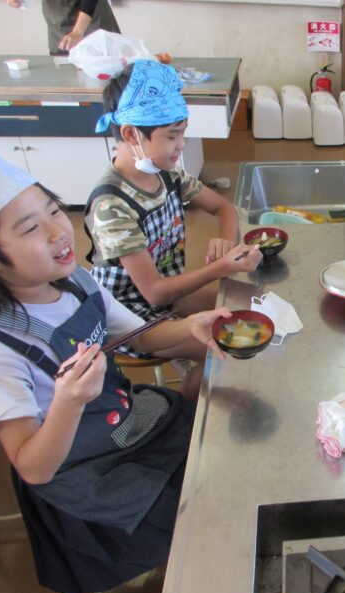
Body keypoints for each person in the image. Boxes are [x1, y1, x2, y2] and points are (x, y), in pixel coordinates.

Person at [0, 147, 233, 593]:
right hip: (85, 473)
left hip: (128, 423)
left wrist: (189, 326)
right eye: (32, 228)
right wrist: (70, 401)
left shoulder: (75, 280)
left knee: (221, 451)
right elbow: (34, 468)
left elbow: (142, 336)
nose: (60, 231)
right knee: (203, 509)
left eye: (54, 209)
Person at [85, 60, 261, 384]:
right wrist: (222, 268)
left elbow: (223, 207)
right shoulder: (111, 205)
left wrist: (226, 243)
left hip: (171, 294)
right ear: (131, 134)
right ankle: (184, 412)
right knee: (225, 353)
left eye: (183, 133)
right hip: (133, 319)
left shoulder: (166, 173)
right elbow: (153, 293)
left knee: (244, 309)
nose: (181, 145)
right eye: (172, 136)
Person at [6, 0, 120, 55]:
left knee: (99, 83)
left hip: (91, 21)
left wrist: (78, 31)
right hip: (58, 23)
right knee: (63, 79)